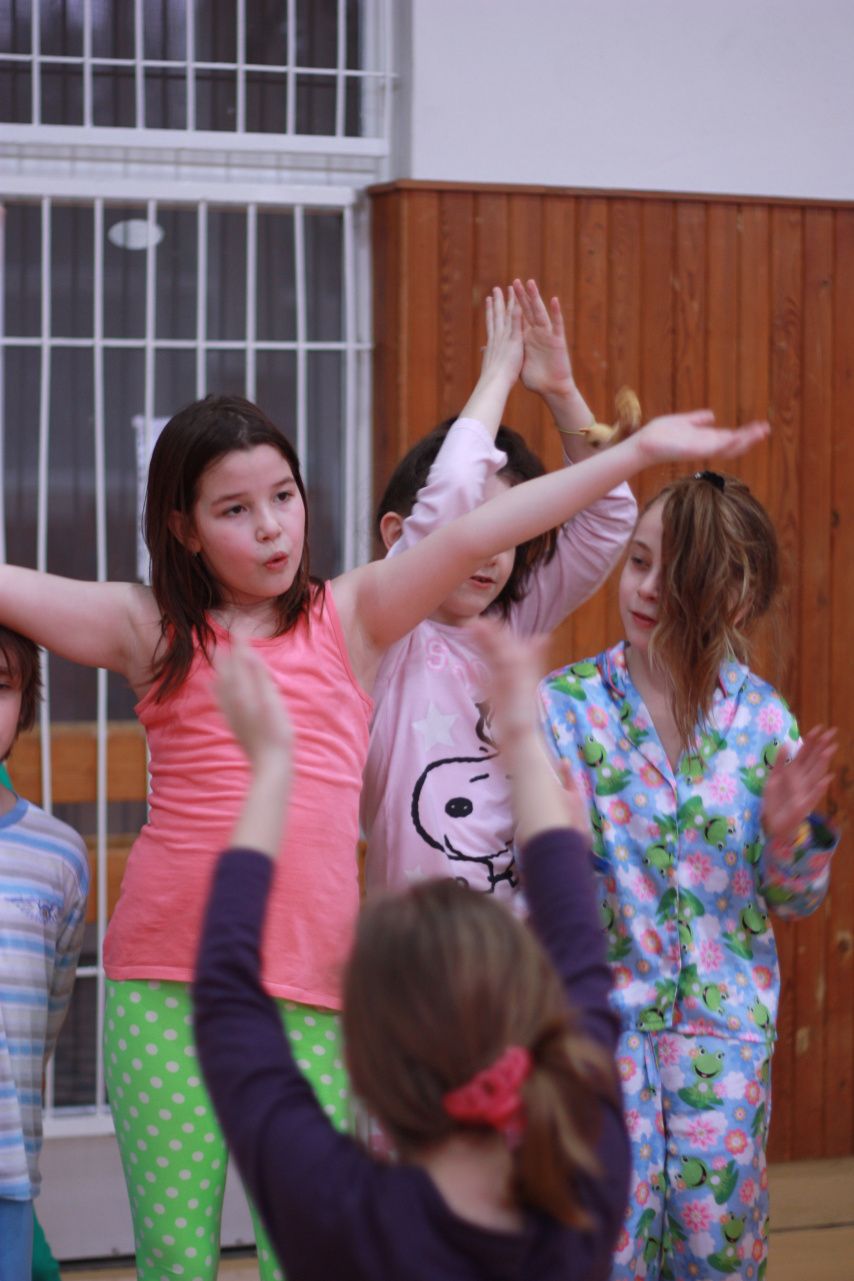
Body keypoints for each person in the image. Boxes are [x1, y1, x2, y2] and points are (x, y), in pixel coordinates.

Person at [0, 289, 768, 1280]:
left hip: (313, 984)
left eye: (284, 497)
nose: (271, 529)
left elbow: (465, 527)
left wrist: (626, 450)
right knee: (176, 1261)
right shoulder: (149, 628)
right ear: (183, 528)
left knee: (311, 1252)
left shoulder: (352, 617)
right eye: (234, 510)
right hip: (162, 980)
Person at [193, 622, 630, 1281]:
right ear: (534, 1020)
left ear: (362, 1064)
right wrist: (520, 733)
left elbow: (226, 1002)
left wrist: (273, 768)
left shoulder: (337, 1211)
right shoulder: (584, 1173)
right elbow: (578, 944)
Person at [539, 472, 838, 1281]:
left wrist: (790, 834)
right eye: (638, 560)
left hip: (724, 1039)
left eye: (676, 575)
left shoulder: (763, 722)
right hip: (597, 1033)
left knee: (717, 1254)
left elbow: (796, 898)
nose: (644, 589)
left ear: (735, 599)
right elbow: (534, 895)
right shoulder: (565, 707)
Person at [363, 279, 637, 900]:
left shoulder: (514, 620)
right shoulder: (384, 627)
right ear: (399, 534)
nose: (487, 552)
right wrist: (495, 377)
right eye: (472, 527)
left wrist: (562, 393)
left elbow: (610, 517)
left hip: (520, 942)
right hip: (413, 943)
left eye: (505, 532)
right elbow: (452, 491)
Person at [0, 627, 89, 1281]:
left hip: (8, 1168)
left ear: (25, 702)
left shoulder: (59, 856)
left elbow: (47, 1021)